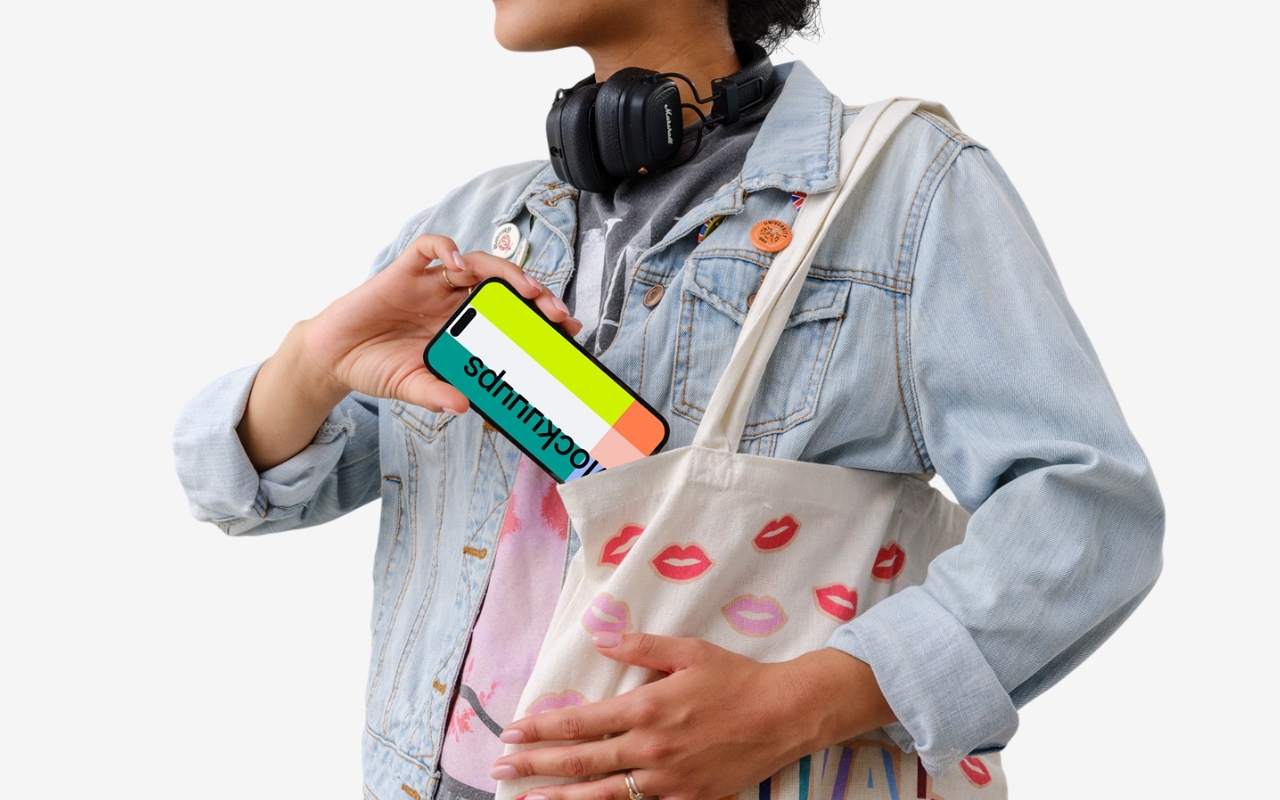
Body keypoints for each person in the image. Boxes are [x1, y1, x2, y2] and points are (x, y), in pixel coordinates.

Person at [174, 1, 1164, 799]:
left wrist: (797, 704)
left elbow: (1082, 507)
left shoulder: (901, 192)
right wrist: (312, 360)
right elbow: (243, 488)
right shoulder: (475, 224)